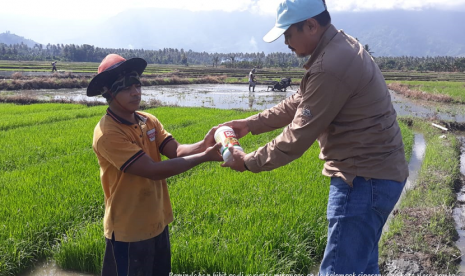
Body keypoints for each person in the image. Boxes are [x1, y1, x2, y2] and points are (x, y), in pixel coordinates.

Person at [220, 0, 409, 274]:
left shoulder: (330, 65)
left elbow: (298, 135)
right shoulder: (339, 46)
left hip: (362, 181)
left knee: (339, 270)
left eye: (288, 34)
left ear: (311, 25)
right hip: (379, 176)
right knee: (363, 266)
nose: (286, 42)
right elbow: (300, 100)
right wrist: (250, 124)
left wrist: (248, 161)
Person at [87, 54, 223, 276]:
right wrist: (204, 156)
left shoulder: (148, 120)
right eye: (126, 88)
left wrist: (205, 142)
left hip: (157, 222)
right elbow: (152, 170)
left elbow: (176, 151)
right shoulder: (108, 133)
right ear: (109, 92)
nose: (135, 92)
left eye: (137, 85)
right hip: (128, 230)